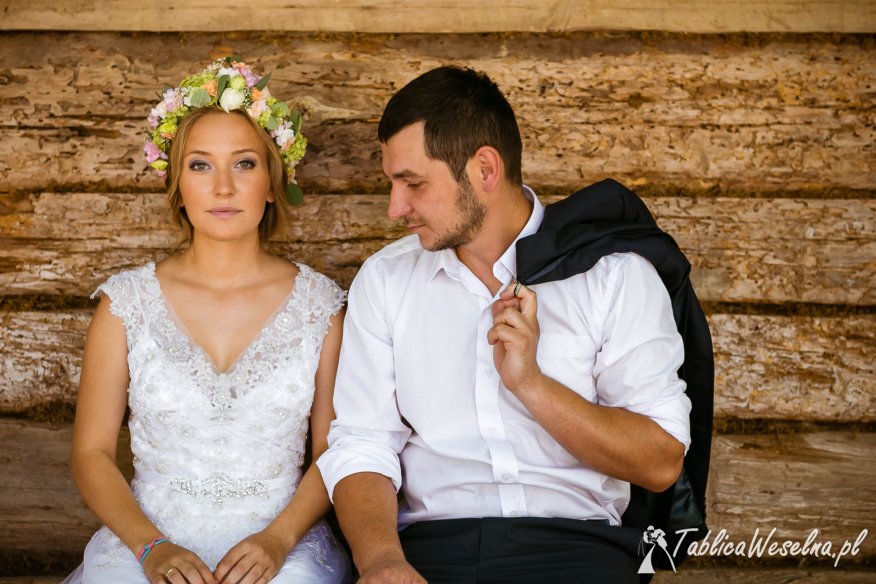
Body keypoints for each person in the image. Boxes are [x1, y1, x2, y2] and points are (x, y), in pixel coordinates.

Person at [316, 66, 692, 583]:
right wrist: (382, 560)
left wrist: (532, 386)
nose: (394, 208)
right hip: (428, 554)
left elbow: (660, 460)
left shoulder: (614, 275)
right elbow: (363, 443)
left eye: (414, 184)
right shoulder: (386, 281)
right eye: (392, 184)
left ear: (484, 170)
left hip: (579, 552)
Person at [65, 59, 352, 584]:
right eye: (200, 166)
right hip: (146, 543)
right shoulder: (125, 305)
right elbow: (92, 452)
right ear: (177, 185)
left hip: (279, 546)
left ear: (272, 182)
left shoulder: (321, 308)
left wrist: (279, 538)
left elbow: (332, 452)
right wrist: (151, 547)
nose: (222, 187)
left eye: (244, 164)